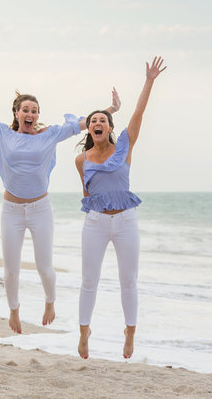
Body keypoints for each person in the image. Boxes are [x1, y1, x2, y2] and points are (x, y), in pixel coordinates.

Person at [0, 83, 119, 334]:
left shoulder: (50, 134)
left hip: (40, 208)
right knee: (11, 269)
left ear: (37, 116)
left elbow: (87, 124)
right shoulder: (3, 133)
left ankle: (50, 302)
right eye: (26, 109)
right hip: (11, 210)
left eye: (35, 110)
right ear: (17, 113)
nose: (30, 114)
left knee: (44, 266)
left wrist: (112, 108)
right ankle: (14, 310)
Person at [75, 57, 165, 360]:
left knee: (129, 279)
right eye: (94, 121)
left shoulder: (125, 145)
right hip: (96, 223)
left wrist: (149, 80)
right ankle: (84, 331)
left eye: (103, 120)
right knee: (89, 279)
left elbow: (138, 113)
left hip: (126, 222)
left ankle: (130, 332)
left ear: (110, 127)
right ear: (89, 128)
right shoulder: (81, 159)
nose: (98, 123)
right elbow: (87, 194)